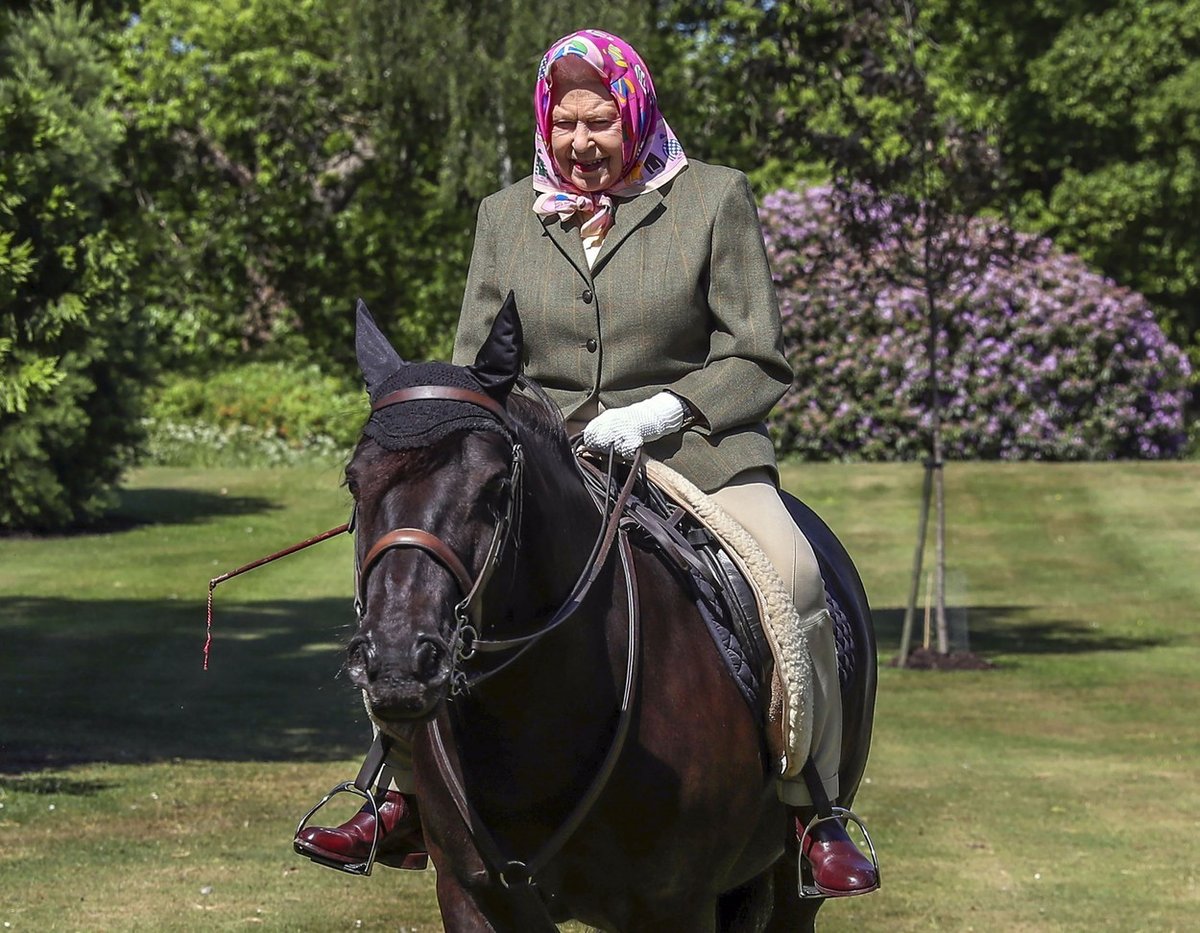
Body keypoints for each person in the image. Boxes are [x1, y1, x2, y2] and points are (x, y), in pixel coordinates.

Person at [296, 28, 878, 898]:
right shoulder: (505, 216)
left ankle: (812, 807)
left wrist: (663, 411)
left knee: (793, 574)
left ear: (634, 111)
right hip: (545, 460)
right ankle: (402, 790)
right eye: (564, 124)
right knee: (435, 584)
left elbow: (756, 357)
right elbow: (475, 370)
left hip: (695, 452)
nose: (580, 143)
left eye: (600, 122)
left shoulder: (713, 199)